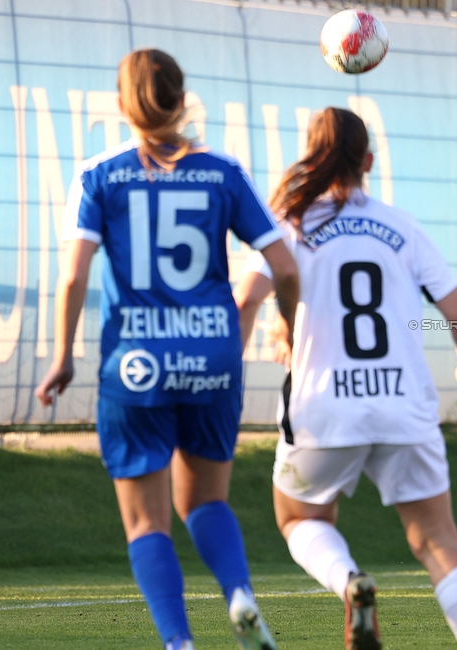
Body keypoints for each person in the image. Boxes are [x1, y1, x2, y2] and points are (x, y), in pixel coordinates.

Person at [34, 49, 300, 650]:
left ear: (123, 106)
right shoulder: (223, 171)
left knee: (146, 520)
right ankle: (238, 596)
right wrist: (291, 324)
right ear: (183, 101)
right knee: (206, 501)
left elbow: (74, 277)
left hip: (135, 364)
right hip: (212, 359)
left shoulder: (99, 174)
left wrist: (63, 356)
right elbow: (283, 266)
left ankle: (179, 642)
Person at [234, 107, 457, 650]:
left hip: (323, 408)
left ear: (310, 156)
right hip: (404, 406)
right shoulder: (402, 227)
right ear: (369, 161)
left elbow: (245, 301)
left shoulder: (292, 226)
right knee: (437, 540)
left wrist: (256, 347)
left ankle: (349, 582)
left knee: (299, 516)